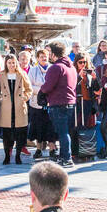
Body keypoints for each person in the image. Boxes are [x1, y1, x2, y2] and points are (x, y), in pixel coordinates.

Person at [37, 41, 78, 169]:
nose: (48, 55)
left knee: (62, 132)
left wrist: (41, 92)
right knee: (65, 132)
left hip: (58, 103)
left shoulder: (56, 67)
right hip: (70, 102)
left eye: (49, 52)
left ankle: (66, 159)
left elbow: (48, 85)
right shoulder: (71, 67)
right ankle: (64, 157)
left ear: (53, 53)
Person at [0, 53, 31, 165]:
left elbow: (29, 89)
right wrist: (1, 98)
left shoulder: (22, 74)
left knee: (20, 133)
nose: (11, 65)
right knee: (7, 134)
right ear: (6, 63)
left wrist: (24, 98)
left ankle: (18, 156)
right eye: (9, 63)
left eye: (13, 62)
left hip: (19, 107)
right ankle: (7, 156)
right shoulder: (1, 75)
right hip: (6, 108)